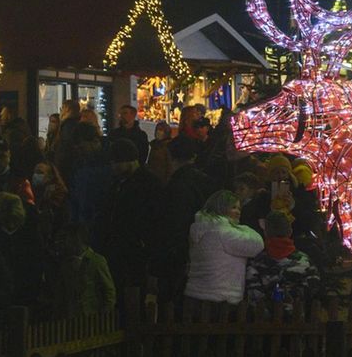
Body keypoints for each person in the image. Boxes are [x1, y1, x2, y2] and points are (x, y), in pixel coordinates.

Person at [183, 190, 265, 319]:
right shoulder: (224, 232)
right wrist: (245, 228)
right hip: (220, 299)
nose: (238, 211)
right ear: (221, 207)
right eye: (233, 207)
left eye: (239, 208)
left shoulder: (200, 227)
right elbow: (257, 245)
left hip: (195, 295)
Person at [153, 136, 214, 303]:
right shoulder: (206, 182)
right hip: (203, 251)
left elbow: (171, 226)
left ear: (171, 157)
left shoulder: (175, 186)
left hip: (178, 256)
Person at [99, 138, 161, 296]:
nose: (112, 167)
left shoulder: (147, 185)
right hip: (121, 249)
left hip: (135, 252)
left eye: (115, 162)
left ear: (128, 161)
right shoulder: (120, 182)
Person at [245, 211, 323, 314]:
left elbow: (253, 294)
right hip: (298, 321)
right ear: (290, 231)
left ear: (266, 232)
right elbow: (313, 287)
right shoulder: (305, 261)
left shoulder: (256, 262)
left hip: (264, 324)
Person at [47, 223, 116, 319]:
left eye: (65, 238)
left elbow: (109, 291)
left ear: (76, 238)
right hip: (71, 318)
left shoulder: (96, 260)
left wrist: (103, 315)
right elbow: (61, 295)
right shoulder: (65, 264)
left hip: (92, 318)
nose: (61, 242)